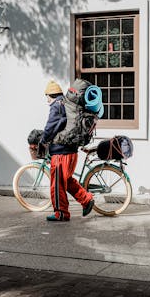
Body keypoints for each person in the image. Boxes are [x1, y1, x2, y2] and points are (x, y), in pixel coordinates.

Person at [38, 80, 95, 221]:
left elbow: (50, 126)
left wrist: (43, 140)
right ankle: (86, 200)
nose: (46, 100)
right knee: (66, 180)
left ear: (50, 95)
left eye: (47, 97)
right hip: (71, 151)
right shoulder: (66, 104)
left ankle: (61, 213)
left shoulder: (56, 106)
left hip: (61, 152)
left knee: (57, 185)